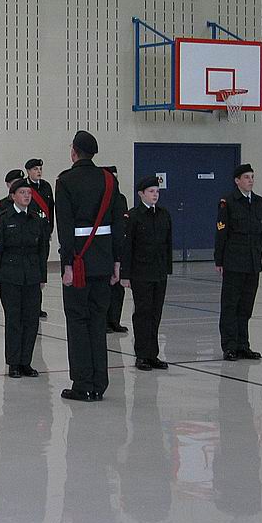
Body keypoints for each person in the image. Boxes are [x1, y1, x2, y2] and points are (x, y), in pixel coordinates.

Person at [55, 131, 124, 401]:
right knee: (97, 322)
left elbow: (65, 227)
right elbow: (118, 224)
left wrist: (67, 264)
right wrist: (117, 261)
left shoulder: (65, 181)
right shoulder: (109, 180)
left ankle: (82, 383)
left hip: (79, 263)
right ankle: (99, 382)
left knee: (77, 321)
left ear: (74, 152)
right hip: (103, 261)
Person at [0, 179, 50, 378]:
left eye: (29, 193)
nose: (26, 196)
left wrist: (42, 275)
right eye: (22, 192)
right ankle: (14, 363)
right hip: (10, 275)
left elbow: (42, 249)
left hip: (31, 275)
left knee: (31, 321)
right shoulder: (4, 219)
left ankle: (26, 362)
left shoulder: (37, 219)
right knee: (14, 320)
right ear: (13, 196)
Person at [120, 175, 172, 371]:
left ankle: (153, 354)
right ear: (141, 194)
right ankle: (142, 355)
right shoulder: (133, 216)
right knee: (143, 313)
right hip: (141, 272)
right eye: (151, 191)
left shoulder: (164, 215)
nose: (155, 195)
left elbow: (167, 243)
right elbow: (127, 246)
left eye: (157, 191)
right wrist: (125, 274)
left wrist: (167, 268)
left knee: (156, 313)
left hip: (159, 271)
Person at [215, 163, 262, 361]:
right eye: (246, 177)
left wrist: (258, 257)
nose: (250, 180)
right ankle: (230, 346)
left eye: (252, 176)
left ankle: (243, 345)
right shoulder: (227, 202)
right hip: (234, 261)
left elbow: (260, 234)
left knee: (246, 306)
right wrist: (219, 259)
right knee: (230, 305)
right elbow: (221, 233)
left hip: (252, 262)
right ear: (237, 181)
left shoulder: (260, 203)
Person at [25, 157, 54, 319]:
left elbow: (51, 209)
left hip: (43, 233)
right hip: (30, 234)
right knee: (31, 270)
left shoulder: (46, 187)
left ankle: (38, 306)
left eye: (40, 169)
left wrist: (49, 230)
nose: (39, 172)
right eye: (35, 169)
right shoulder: (24, 188)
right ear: (28, 171)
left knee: (41, 270)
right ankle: (29, 306)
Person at [104, 166, 129, 333]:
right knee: (106, 286)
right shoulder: (102, 198)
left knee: (118, 288)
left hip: (120, 245)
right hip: (107, 245)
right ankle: (104, 321)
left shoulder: (121, 198)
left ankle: (115, 320)